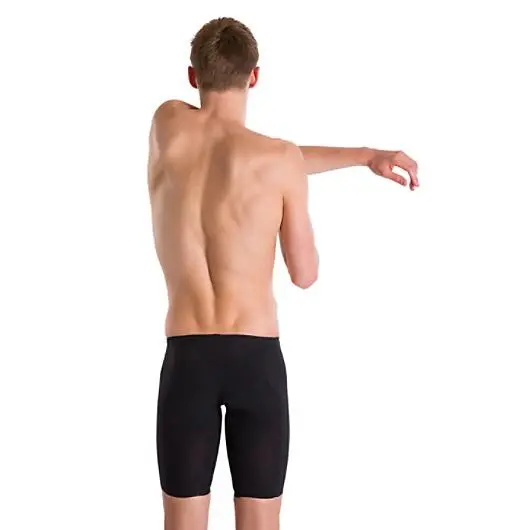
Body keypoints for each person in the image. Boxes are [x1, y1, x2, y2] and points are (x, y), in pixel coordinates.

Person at [148, 16, 419, 530]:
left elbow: (245, 152)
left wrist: (364, 158)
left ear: (192, 77)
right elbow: (304, 274)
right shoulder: (278, 161)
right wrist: (359, 161)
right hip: (256, 361)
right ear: (255, 76)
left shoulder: (166, 125)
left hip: (187, 360)